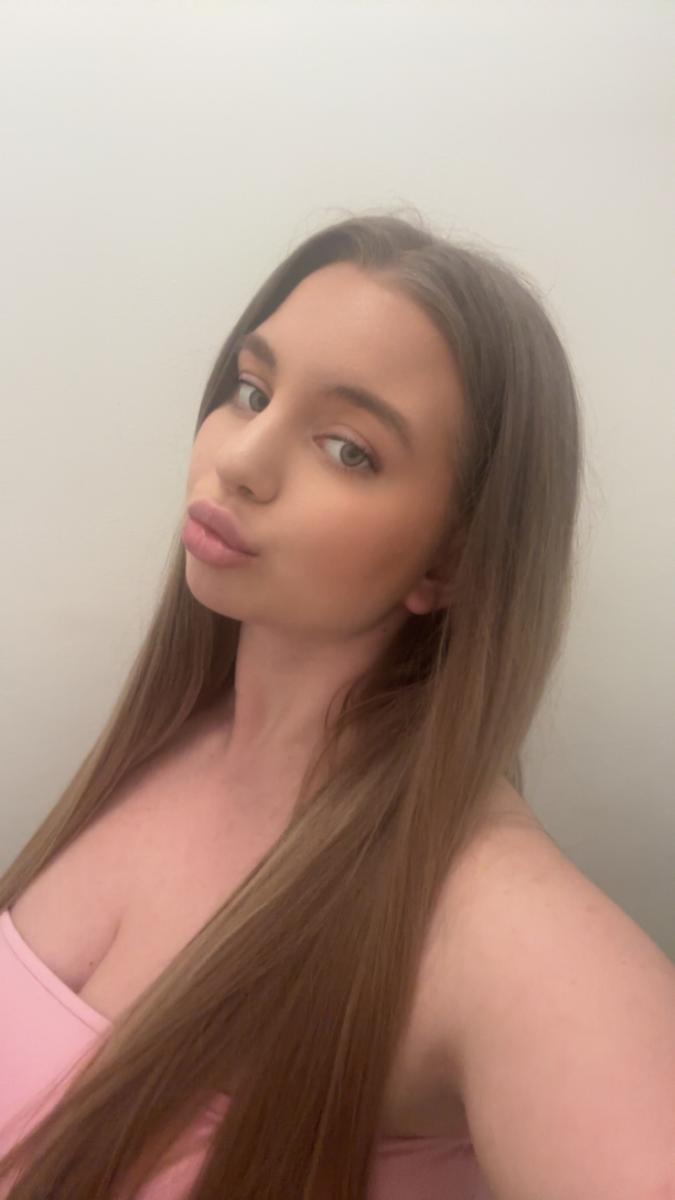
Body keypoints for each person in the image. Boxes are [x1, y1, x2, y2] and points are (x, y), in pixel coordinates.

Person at [1, 211, 673, 1200]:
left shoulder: (497, 931)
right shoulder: (162, 742)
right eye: (250, 390)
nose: (242, 458)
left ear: (451, 561)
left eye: (348, 449)